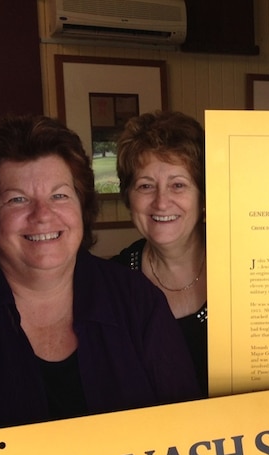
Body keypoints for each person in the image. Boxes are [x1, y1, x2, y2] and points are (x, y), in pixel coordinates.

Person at [0, 113, 203, 455]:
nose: (43, 215)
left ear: (81, 207)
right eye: (18, 198)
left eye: (60, 195)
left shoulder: (136, 301)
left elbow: (191, 439)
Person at [112, 111, 208, 395]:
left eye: (178, 185)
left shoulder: (248, 267)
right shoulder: (112, 286)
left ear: (203, 198)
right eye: (145, 186)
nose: (161, 202)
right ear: (128, 198)